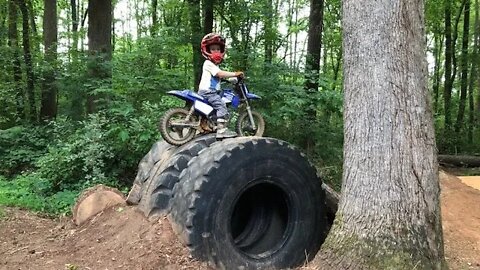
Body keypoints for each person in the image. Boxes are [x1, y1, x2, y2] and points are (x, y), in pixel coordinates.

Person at [199, 33, 243, 138]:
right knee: (222, 106)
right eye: (213, 49)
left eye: (218, 49)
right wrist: (235, 73)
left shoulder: (214, 66)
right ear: (207, 50)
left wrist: (230, 79)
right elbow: (220, 74)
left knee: (215, 108)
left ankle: (211, 125)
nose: (216, 51)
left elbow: (218, 77)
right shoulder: (208, 63)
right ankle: (221, 131)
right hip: (208, 92)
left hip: (210, 91)